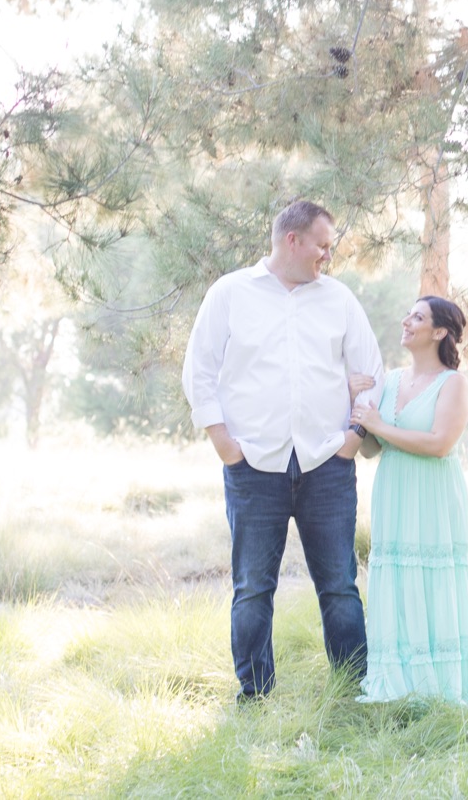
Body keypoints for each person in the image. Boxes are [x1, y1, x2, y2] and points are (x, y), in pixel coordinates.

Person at [181, 199, 384, 700]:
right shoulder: (230, 294)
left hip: (327, 466)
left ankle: (353, 690)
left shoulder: (338, 299)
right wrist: (223, 443)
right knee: (253, 589)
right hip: (253, 466)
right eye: (322, 245)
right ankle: (255, 695)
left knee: (339, 585)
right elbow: (199, 372)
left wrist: (353, 439)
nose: (327, 256)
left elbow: (373, 374)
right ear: (292, 240)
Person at [350, 295, 468, 705]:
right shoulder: (392, 380)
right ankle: (399, 681)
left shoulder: (453, 383)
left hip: (432, 494)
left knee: (433, 581)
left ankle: (442, 682)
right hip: (394, 492)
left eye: (418, 317)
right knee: (398, 581)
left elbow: (439, 443)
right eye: (408, 313)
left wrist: (379, 424)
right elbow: (373, 449)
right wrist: (359, 412)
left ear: (439, 332)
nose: (406, 320)